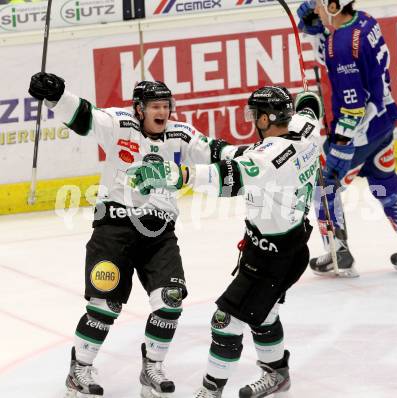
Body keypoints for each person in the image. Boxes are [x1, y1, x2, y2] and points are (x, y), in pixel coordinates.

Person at [28, 73, 244, 398]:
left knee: (170, 300)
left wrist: (261, 155)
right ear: (139, 108)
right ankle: (79, 370)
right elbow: (85, 117)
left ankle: (151, 369)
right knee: (105, 304)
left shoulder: (180, 134)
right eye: (155, 106)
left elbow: (216, 151)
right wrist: (59, 95)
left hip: (159, 234)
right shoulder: (119, 123)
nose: (162, 112)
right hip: (113, 230)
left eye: (166, 106)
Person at [130, 86, 323, 397]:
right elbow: (312, 109)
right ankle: (277, 373)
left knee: (225, 321)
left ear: (263, 118)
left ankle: (211, 391)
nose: (251, 121)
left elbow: (222, 177)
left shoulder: (267, 158)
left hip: (272, 257)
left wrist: (171, 174)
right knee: (264, 313)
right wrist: (307, 98)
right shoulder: (307, 132)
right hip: (291, 245)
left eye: (253, 115)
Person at [297, 0, 397, 277]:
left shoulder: (341, 44)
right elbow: (346, 50)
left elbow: (353, 104)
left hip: (359, 132)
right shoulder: (364, 20)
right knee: (384, 184)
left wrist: (340, 145)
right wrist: (317, 30)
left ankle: (338, 252)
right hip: (383, 122)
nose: (315, 7)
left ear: (335, 5)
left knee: (323, 185)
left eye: (320, 3)